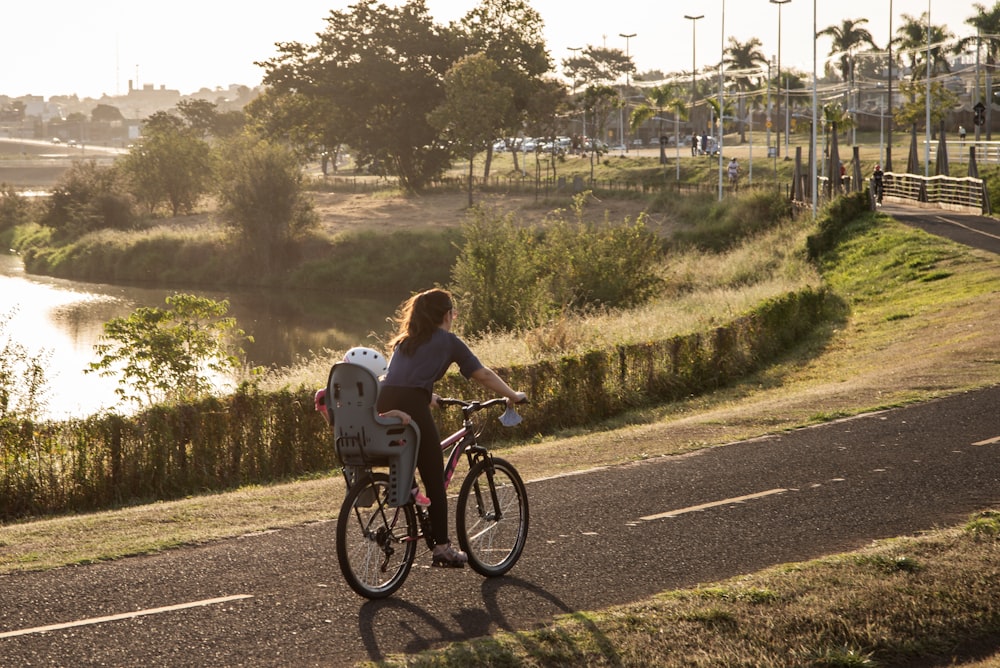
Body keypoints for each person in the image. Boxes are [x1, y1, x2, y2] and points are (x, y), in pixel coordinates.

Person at [377, 288, 527, 568]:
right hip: (411, 402)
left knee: (411, 456)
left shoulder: (405, 341)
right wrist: (513, 395)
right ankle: (443, 549)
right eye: (454, 313)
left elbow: (401, 378)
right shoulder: (448, 341)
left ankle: (408, 488)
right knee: (434, 474)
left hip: (385, 399)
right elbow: (482, 374)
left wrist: (427, 396)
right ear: (447, 315)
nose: (454, 318)